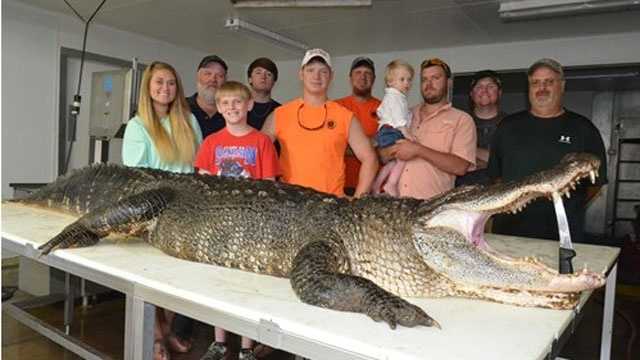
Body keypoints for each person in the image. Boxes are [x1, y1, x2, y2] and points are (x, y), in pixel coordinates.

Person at [121, 61, 203, 360]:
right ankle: (155, 338)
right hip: (152, 212)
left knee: (176, 280)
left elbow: (197, 169)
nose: (165, 88)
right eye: (159, 82)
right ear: (148, 87)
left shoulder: (189, 121)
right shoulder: (138, 126)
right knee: (151, 278)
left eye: (171, 83)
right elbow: (136, 177)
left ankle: (167, 331)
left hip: (184, 212)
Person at [195, 82, 278, 360]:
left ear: (249, 105)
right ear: (219, 107)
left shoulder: (262, 142)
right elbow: (203, 184)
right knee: (218, 283)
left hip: (250, 224)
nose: (232, 107)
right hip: (219, 222)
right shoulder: (211, 142)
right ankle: (219, 343)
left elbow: (268, 185)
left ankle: (246, 347)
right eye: (226, 103)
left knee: (247, 286)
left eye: (238, 102)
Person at [487, 58, 608, 244]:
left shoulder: (584, 128)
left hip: (563, 233)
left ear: (562, 86)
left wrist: (570, 205)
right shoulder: (507, 127)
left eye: (549, 82)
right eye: (535, 82)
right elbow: (496, 178)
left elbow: (595, 183)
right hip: (509, 231)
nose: (541, 88)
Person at [262, 48, 378, 198]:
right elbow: (257, 152)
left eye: (323, 71)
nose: (316, 76)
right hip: (290, 204)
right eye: (310, 70)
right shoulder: (280, 114)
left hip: (330, 206)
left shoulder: (345, 116)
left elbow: (370, 159)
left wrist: (357, 201)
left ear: (331, 76)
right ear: (301, 74)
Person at [382, 58, 476, 200]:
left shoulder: (462, 120)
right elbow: (382, 154)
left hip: (432, 208)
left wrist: (417, 150)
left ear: (448, 83)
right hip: (395, 207)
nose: (429, 84)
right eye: (424, 79)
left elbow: (460, 167)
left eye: (435, 78)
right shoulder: (404, 114)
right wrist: (391, 151)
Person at [335, 57, 381, 196]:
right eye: (358, 72)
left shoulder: (385, 109)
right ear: (350, 78)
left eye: (367, 73)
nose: (363, 77)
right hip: (340, 186)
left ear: (373, 79)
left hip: (373, 186)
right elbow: (332, 145)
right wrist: (371, 144)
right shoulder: (336, 107)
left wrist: (349, 145)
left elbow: (389, 148)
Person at [371, 60, 415, 196]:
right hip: (391, 131)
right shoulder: (393, 96)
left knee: (393, 163)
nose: (406, 83)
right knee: (404, 157)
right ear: (390, 82)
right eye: (402, 79)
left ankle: (377, 184)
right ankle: (391, 184)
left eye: (409, 80)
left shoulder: (398, 97)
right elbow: (397, 118)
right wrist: (406, 132)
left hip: (389, 131)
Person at [456, 70, 506, 186]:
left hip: (500, 193)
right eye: (479, 87)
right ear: (471, 94)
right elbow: (454, 162)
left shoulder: (511, 123)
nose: (484, 91)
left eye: (490, 86)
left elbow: (508, 161)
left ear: (499, 93)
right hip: (462, 191)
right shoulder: (457, 122)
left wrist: (468, 152)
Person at [188, 55, 228, 138]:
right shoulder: (181, 107)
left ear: (225, 82)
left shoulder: (231, 114)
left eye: (220, 76)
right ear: (198, 77)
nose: (213, 79)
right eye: (208, 74)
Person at [246, 57, 281, 130]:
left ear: (274, 82)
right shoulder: (238, 107)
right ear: (250, 79)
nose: (263, 77)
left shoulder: (281, 111)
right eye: (258, 73)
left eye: (268, 74)